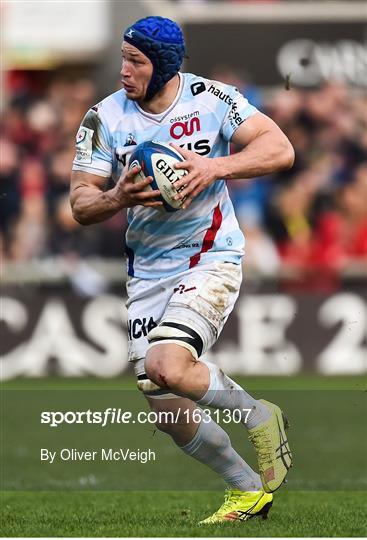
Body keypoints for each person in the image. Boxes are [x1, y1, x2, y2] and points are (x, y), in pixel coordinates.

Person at [70, 16, 294, 524]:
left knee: (166, 366)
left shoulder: (213, 99)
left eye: (136, 62)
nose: (123, 71)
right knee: (167, 407)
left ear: (165, 65)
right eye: (123, 59)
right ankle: (247, 492)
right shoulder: (103, 118)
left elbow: (279, 148)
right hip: (147, 272)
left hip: (209, 255)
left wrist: (215, 166)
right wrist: (116, 196)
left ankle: (261, 417)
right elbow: (80, 203)